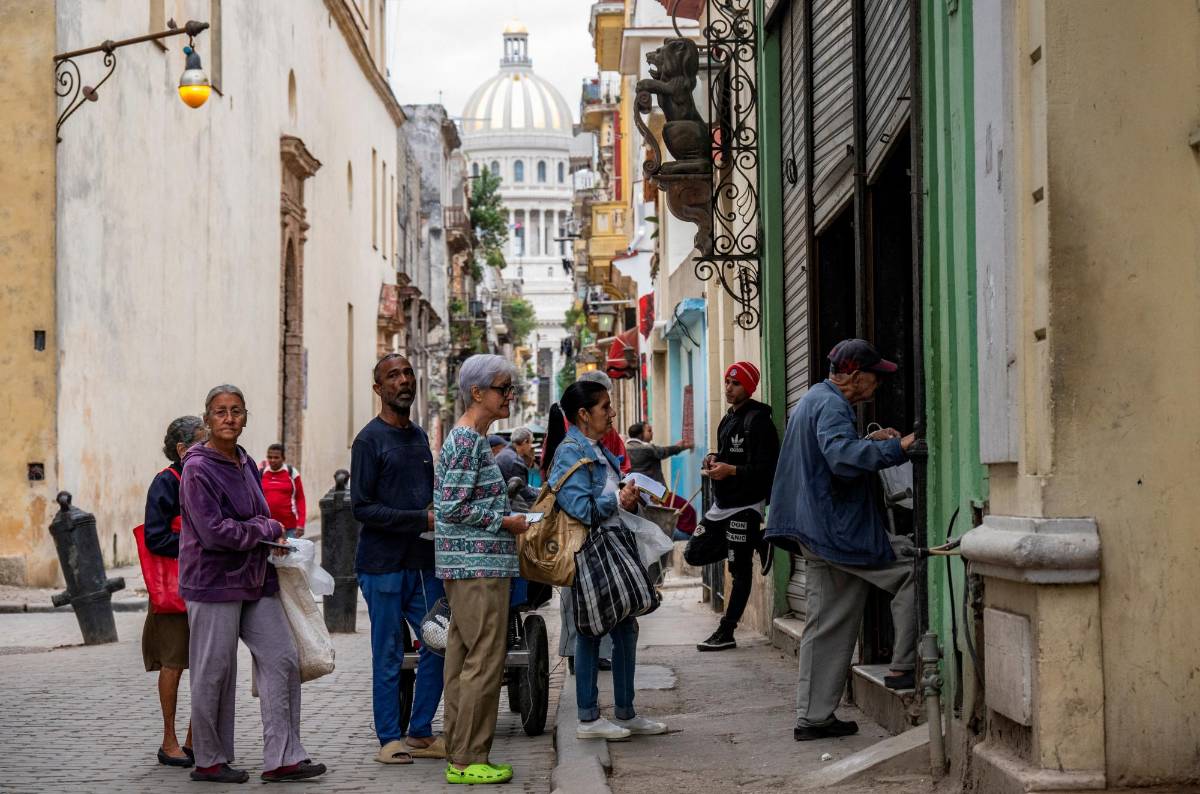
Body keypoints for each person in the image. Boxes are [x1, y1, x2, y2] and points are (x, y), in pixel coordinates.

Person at [763, 339, 917, 741]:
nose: (876, 385)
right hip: (833, 530)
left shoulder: (814, 398)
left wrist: (871, 443)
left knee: (826, 621)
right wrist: (897, 448)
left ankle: (813, 718)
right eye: (873, 377)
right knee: (912, 570)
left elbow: (830, 453)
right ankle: (904, 669)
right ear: (852, 375)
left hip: (813, 528)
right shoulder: (833, 405)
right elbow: (840, 459)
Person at [179, 385, 325, 784]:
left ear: (245, 417)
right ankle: (209, 760)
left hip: (256, 577)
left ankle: (283, 757)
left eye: (237, 411)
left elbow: (254, 515)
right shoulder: (197, 467)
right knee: (214, 672)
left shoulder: (245, 461)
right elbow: (213, 532)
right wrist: (268, 528)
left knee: (282, 659)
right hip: (212, 581)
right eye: (221, 412)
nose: (229, 418)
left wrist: (269, 536)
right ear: (208, 419)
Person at [544, 380, 667, 741]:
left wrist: (628, 491)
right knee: (591, 631)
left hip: (613, 545)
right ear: (583, 415)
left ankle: (626, 712)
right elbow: (580, 509)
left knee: (625, 627)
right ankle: (588, 718)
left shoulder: (596, 448)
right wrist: (618, 499)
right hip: (591, 551)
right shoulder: (571, 452)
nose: (612, 413)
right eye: (604, 408)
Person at [434, 354, 530, 785]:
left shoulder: (470, 439)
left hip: (474, 564)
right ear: (477, 393)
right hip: (477, 566)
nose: (509, 396)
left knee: (464, 660)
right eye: (502, 388)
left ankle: (461, 752)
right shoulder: (467, 440)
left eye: (510, 388)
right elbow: (451, 505)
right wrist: (504, 521)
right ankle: (469, 757)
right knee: (484, 661)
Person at [351, 353, 446, 764]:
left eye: (407, 373)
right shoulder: (368, 441)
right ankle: (389, 738)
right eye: (393, 375)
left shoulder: (421, 437)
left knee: (441, 641)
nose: (403, 380)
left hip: (423, 563)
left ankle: (421, 732)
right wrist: (418, 518)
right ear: (379, 389)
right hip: (382, 566)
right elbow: (362, 507)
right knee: (389, 652)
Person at [696, 361, 780, 652]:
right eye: (728, 382)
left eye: (736, 384)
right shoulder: (728, 419)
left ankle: (726, 631)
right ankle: (758, 539)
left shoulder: (759, 421)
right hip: (723, 504)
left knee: (739, 569)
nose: (729, 388)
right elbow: (726, 452)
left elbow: (767, 468)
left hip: (746, 504)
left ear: (750, 387)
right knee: (695, 552)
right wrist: (712, 460)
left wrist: (731, 471)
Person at [142, 415, 205, 769]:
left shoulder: (207, 477)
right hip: (175, 591)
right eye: (200, 442)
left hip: (206, 585)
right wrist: (196, 541)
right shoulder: (166, 482)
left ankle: (196, 739)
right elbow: (155, 535)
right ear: (182, 449)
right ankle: (169, 740)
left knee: (205, 664)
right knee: (175, 663)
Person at [625, 421, 698, 540]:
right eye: (649, 430)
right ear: (640, 434)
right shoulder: (645, 448)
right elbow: (663, 452)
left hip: (638, 495)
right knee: (682, 515)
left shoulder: (625, 448)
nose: (652, 433)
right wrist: (682, 447)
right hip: (654, 495)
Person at [259, 443, 307, 538]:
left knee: (290, 553)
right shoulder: (261, 473)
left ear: (283, 458)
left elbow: (300, 498)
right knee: (268, 553)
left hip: (290, 527)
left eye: (276, 457)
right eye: (270, 457)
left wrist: (301, 524)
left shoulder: (292, 473)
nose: (272, 460)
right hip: (268, 526)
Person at [494, 427, 537, 502]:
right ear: (525, 442)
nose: (530, 447)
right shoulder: (515, 461)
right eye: (531, 443)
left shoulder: (505, 453)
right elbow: (524, 493)